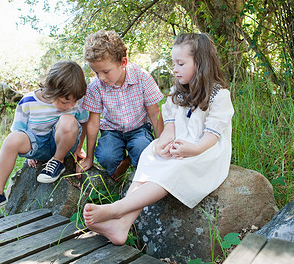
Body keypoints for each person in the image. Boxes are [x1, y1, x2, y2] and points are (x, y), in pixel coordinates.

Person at [82, 33, 234, 245]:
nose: (174, 69)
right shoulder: (178, 91)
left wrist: (194, 149)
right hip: (182, 144)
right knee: (149, 154)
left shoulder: (219, 96)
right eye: (174, 63)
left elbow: (211, 137)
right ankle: (122, 225)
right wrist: (164, 142)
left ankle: (118, 209)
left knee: (174, 169)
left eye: (180, 63)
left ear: (201, 64)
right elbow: (170, 126)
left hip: (205, 152)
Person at [0, 61, 88, 217]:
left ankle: (57, 162)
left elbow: (83, 123)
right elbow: (20, 131)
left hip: (63, 145)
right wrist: (29, 154)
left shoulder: (73, 103)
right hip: (38, 145)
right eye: (65, 102)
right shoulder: (28, 102)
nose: (71, 105)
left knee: (68, 121)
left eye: (74, 101)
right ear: (50, 90)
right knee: (11, 139)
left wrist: (79, 148)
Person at [78, 30, 164, 180]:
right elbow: (93, 124)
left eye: (105, 71)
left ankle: (133, 162)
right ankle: (121, 163)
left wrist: (163, 145)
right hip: (112, 131)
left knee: (142, 149)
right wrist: (89, 157)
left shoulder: (141, 77)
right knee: (106, 156)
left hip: (138, 129)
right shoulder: (96, 87)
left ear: (123, 62)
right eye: (96, 72)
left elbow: (155, 113)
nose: (101, 77)